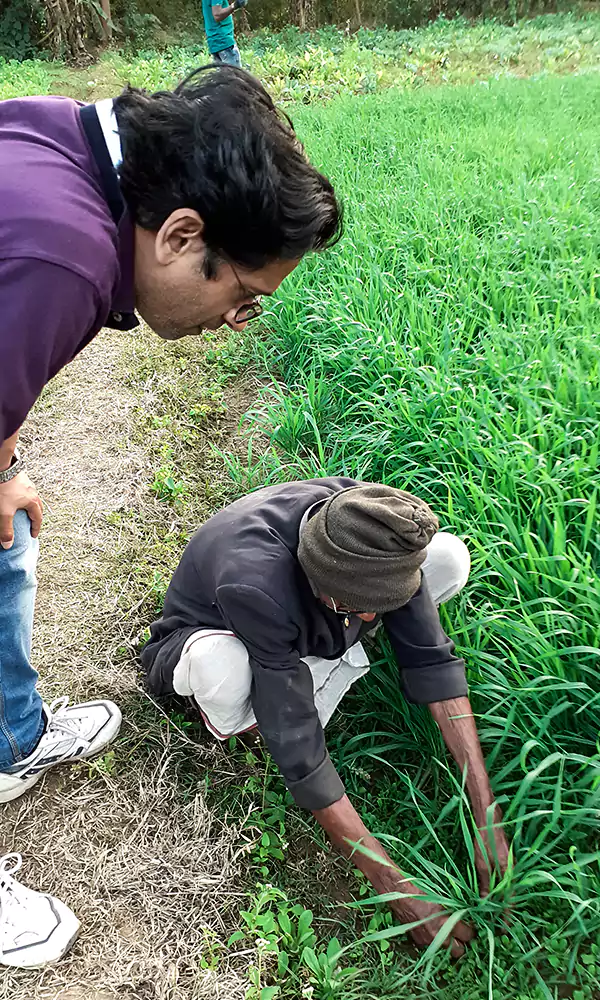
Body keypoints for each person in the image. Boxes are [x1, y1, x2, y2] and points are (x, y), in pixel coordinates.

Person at [0, 67, 341, 968]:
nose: (236, 322)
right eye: (244, 296)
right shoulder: (65, 254)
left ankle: (12, 736)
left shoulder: (63, 140)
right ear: (182, 234)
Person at [142, 478, 511, 957]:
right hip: (213, 634)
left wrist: (485, 814)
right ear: (324, 587)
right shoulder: (255, 584)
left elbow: (432, 661)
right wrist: (390, 881)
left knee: (449, 558)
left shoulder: (373, 526)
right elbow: (296, 739)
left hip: (305, 618)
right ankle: (232, 722)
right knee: (223, 666)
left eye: (379, 607)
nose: (374, 620)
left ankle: (333, 647)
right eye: (360, 609)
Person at [202, 0, 248, 68]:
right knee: (234, 77)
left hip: (215, 42)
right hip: (224, 42)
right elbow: (217, 15)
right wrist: (235, 5)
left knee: (222, 77)